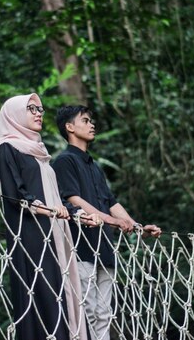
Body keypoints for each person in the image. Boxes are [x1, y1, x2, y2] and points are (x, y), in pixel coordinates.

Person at [0, 94, 97, 340]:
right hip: (32, 237)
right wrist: (48, 210)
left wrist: (77, 214)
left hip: (57, 234)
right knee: (44, 296)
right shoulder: (8, 148)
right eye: (31, 109)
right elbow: (15, 195)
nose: (39, 113)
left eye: (40, 108)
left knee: (65, 294)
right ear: (14, 114)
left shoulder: (40, 153)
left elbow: (56, 200)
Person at [52, 105, 162, 340]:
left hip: (104, 247)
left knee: (105, 313)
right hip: (80, 248)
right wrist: (113, 221)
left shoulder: (94, 166)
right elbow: (75, 200)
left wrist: (139, 227)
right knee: (87, 311)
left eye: (92, 121)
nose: (92, 124)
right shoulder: (63, 162)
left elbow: (111, 202)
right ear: (69, 127)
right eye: (85, 120)